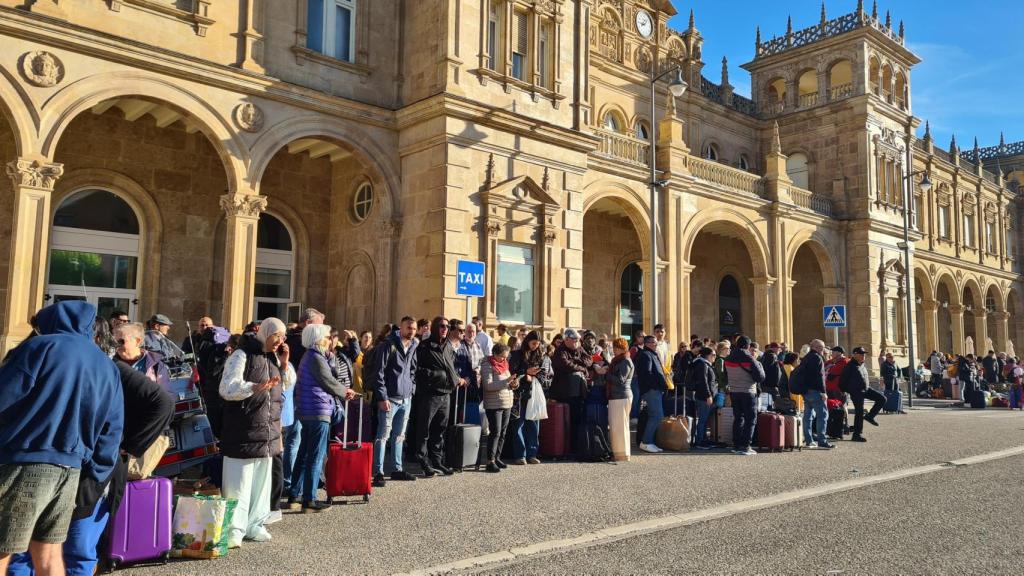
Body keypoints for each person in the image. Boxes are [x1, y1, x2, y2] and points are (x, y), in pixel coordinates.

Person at [0, 302, 123, 576]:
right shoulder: (106, 364)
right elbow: (112, 429)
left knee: (3, 549)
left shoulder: (39, 347)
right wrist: (95, 471)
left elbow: (5, 396)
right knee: (49, 554)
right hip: (71, 469)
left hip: (25, 460)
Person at [219, 318, 295, 547]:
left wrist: (284, 363)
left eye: (283, 337)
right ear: (264, 333)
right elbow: (226, 388)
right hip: (243, 430)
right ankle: (234, 528)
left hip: (268, 431)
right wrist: (253, 387)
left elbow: (288, 384)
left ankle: (255, 524)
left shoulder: (273, 357)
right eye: (276, 336)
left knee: (261, 485)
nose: (279, 341)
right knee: (238, 483)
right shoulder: (242, 355)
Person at [291, 324, 355, 512]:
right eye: (327, 337)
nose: (329, 340)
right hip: (318, 410)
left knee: (304, 453)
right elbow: (328, 380)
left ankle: (295, 495)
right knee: (316, 455)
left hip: (308, 409)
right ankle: (309, 499)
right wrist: (345, 392)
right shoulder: (315, 357)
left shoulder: (309, 355)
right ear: (318, 339)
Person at [369, 317, 419, 487]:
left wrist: (411, 389)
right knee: (383, 436)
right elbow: (378, 373)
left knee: (399, 436)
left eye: (413, 328)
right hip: (390, 399)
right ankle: (378, 472)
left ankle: (397, 468)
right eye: (408, 328)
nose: (411, 331)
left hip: (406, 399)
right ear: (401, 327)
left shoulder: (413, 345)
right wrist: (382, 397)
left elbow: (412, 369)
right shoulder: (388, 345)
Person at [413, 317, 463, 477]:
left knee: (440, 430)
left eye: (447, 326)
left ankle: (437, 461)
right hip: (430, 394)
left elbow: (451, 366)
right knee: (424, 430)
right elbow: (417, 370)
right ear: (435, 327)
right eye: (441, 326)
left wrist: (455, 378)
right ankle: (423, 460)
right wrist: (437, 375)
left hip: (446, 393)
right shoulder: (425, 346)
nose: (445, 328)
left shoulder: (448, 346)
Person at [550, 328, 599, 454]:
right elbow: (565, 365)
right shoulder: (560, 351)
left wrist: (578, 364)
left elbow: (589, 360)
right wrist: (581, 368)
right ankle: (568, 447)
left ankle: (577, 446)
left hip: (578, 391)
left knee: (577, 419)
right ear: (566, 339)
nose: (577, 343)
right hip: (564, 392)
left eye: (578, 340)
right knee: (567, 421)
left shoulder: (579, 348)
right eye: (574, 340)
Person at [507, 330, 551, 465]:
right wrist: (525, 372)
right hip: (519, 394)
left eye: (537, 344)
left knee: (533, 424)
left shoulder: (542, 356)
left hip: (533, 393)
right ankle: (520, 455)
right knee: (518, 424)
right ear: (527, 341)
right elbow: (511, 371)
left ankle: (532, 454)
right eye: (533, 343)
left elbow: (545, 375)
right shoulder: (517, 354)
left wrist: (533, 377)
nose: (535, 346)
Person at [724, 335, 765, 455]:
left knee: (738, 418)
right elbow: (760, 377)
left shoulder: (728, 357)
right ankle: (745, 446)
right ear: (747, 346)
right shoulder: (749, 357)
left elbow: (726, 375)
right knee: (750, 419)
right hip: (748, 391)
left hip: (734, 392)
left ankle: (736, 445)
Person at [480, 343, 516, 472]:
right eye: (502, 357)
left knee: (503, 433)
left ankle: (497, 457)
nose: (504, 359)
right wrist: (506, 382)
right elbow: (488, 386)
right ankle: (490, 461)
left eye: (506, 357)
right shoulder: (487, 364)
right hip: (494, 404)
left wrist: (513, 384)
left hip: (507, 402)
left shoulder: (505, 364)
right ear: (495, 354)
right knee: (495, 432)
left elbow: (507, 383)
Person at [840, 347, 883, 442]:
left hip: (866, 389)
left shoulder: (862, 364)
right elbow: (842, 381)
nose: (863, 355)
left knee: (882, 399)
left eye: (864, 354)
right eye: (861, 354)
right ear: (855, 355)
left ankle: (870, 416)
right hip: (856, 392)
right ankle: (857, 435)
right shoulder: (850, 366)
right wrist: (847, 390)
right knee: (859, 413)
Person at [114, 322, 171, 392]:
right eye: (114, 341)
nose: (116, 345)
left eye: (121, 341)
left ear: (137, 341)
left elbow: (166, 397)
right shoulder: (109, 363)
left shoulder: (156, 366)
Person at [635, 335, 667, 454]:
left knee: (655, 416)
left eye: (656, 342)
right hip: (651, 390)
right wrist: (656, 385)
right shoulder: (645, 355)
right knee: (657, 416)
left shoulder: (651, 354)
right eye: (654, 342)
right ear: (647, 343)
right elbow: (646, 374)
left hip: (654, 390)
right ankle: (646, 442)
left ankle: (649, 441)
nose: (656, 344)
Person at [604, 338, 635, 461]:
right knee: (620, 425)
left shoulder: (625, 361)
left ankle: (621, 454)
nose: (614, 350)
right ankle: (622, 453)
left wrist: (606, 373)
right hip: (620, 396)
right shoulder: (621, 360)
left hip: (620, 396)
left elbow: (620, 380)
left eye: (615, 348)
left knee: (619, 426)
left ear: (621, 348)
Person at [801, 340, 834, 449]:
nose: (823, 349)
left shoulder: (806, 358)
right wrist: (823, 392)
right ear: (816, 347)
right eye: (821, 347)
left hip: (806, 391)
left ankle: (809, 440)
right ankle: (822, 441)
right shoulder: (817, 358)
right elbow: (820, 377)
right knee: (823, 415)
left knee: (808, 417)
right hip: (816, 391)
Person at [686, 346, 718, 450]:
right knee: (703, 420)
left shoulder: (703, 364)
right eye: (713, 355)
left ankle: (703, 439)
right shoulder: (702, 364)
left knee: (704, 419)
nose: (715, 357)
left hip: (703, 395)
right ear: (708, 355)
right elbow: (703, 382)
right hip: (703, 396)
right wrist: (708, 395)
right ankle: (700, 441)